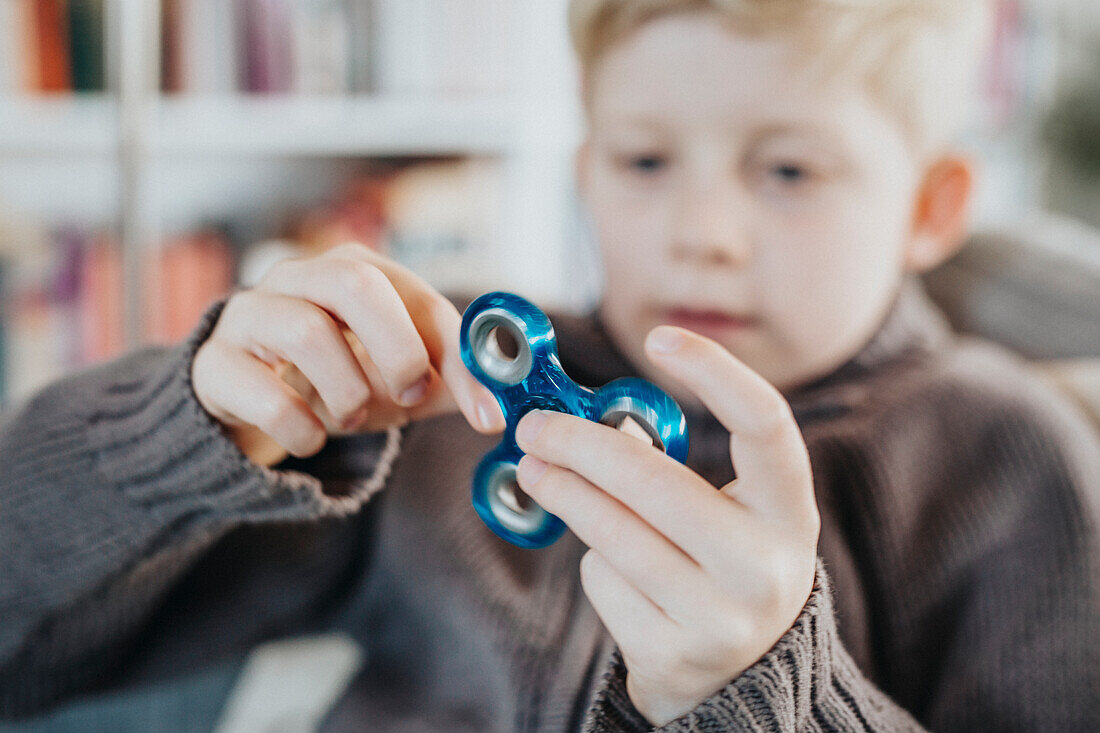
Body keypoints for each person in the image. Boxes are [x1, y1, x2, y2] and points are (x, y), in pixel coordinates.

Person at [2, 0, 1099, 730]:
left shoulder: (1007, 461)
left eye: (788, 170)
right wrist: (188, 431)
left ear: (928, 206)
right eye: (643, 159)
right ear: (583, 168)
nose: (699, 231)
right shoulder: (435, 402)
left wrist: (764, 691)